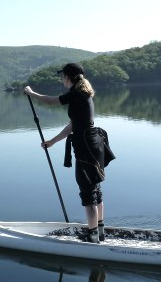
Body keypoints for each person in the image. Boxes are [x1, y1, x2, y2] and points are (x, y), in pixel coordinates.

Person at [24, 63, 114, 244]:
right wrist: (52, 141)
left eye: (62, 76)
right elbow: (73, 126)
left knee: (88, 193)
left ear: (68, 77)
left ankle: (93, 236)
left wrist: (31, 93)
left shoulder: (76, 93)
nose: (61, 79)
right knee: (95, 190)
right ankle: (99, 231)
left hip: (86, 147)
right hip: (93, 145)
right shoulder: (83, 94)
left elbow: (51, 101)